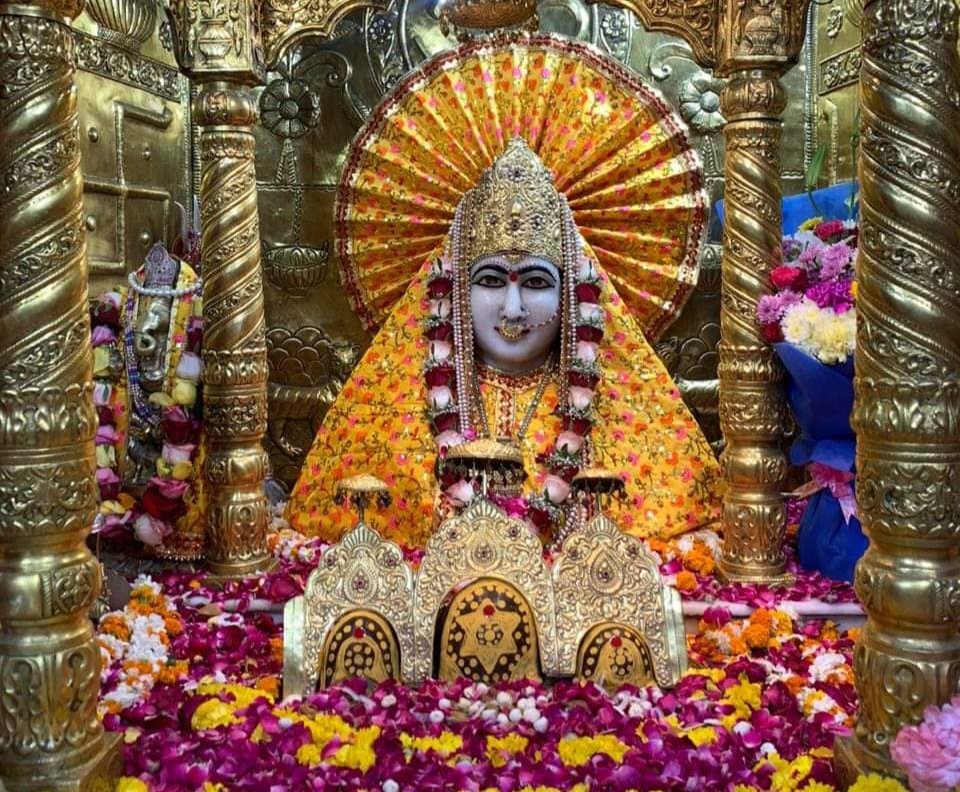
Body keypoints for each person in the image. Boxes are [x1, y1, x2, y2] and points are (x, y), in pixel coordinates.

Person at [287, 139, 720, 549]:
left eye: (536, 283)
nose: (513, 310)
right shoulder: (392, 414)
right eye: (491, 281)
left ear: (572, 294)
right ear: (455, 288)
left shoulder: (625, 418)